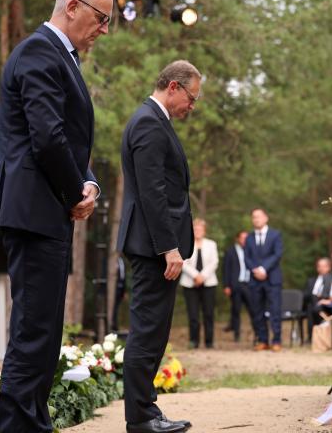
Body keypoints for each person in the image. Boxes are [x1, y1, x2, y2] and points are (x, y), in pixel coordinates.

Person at [0, 0, 111, 433]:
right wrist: (75, 192)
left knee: (44, 333)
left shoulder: (61, 57)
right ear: (73, 7)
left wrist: (89, 182)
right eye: (102, 18)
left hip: (46, 212)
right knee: (33, 333)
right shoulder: (40, 51)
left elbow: (68, 141)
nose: (105, 29)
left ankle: (33, 423)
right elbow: (48, 138)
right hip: (35, 213)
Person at [116, 60, 201, 433]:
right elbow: (153, 193)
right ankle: (140, 417)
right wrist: (169, 248)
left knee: (154, 331)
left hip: (153, 245)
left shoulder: (154, 120)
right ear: (173, 87)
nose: (191, 107)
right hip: (153, 247)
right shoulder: (149, 123)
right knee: (147, 331)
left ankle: (146, 411)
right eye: (191, 98)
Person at [244, 208, 284, 352]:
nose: (256, 219)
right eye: (254, 217)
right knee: (257, 311)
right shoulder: (248, 238)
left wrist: (263, 269)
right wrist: (255, 270)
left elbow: (277, 254)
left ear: (266, 218)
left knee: (275, 310)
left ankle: (277, 340)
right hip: (255, 280)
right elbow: (246, 258)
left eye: (259, 217)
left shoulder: (275, 235)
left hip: (272, 279)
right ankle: (262, 340)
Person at [180, 218, 219, 349]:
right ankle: (193, 341)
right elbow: (183, 262)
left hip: (209, 283)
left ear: (204, 230)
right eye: (195, 228)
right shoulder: (185, 244)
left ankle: (209, 342)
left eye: (200, 228)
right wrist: (195, 276)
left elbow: (214, 262)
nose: (198, 231)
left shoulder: (211, 244)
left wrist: (202, 276)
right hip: (189, 284)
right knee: (193, 315)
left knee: (208, 313)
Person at [223, 230, 254, 342]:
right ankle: (236, 334)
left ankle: (256, 332)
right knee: (236, 310)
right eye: (243, 238)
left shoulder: (252, 250)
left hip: (249, 284)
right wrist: (226, 285)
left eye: (247, 238)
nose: (245, 240)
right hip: (236, 284)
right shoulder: (230, 251)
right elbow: (226, 269)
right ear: (238, 239)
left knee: (253, 309)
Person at [304, 257, 332, 341]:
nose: (321, 268)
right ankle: (312, 336)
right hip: (312, 303)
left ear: (329, 267)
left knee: (314, 308)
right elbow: (306, 295)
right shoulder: (311, 280)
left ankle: (319, 337)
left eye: (324, 266)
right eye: (319, 266)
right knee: (310, 307)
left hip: (327, 304)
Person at [111, 255, 127, 332]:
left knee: (117, 307)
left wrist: (124, 291)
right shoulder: (112, 262)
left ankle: (115, 325)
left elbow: (123, 276)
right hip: (114, 287)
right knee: (113, 307)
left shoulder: (121, 260)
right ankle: (113, 325)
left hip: (120, 287)